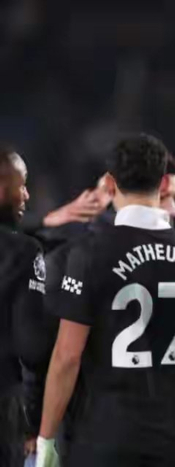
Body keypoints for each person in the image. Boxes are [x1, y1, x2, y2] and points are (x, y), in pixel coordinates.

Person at [35, 134, 175, 467]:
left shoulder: (87, 255)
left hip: (103, 439)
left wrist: (46, 438)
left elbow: (67, 356)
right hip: (171, 442)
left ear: (110, 183)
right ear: (162, 183)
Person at [0, 144, 47, 467]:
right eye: (23, 184)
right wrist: (35, 419)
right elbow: (33, 346)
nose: (26, 195)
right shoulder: (22, 252)